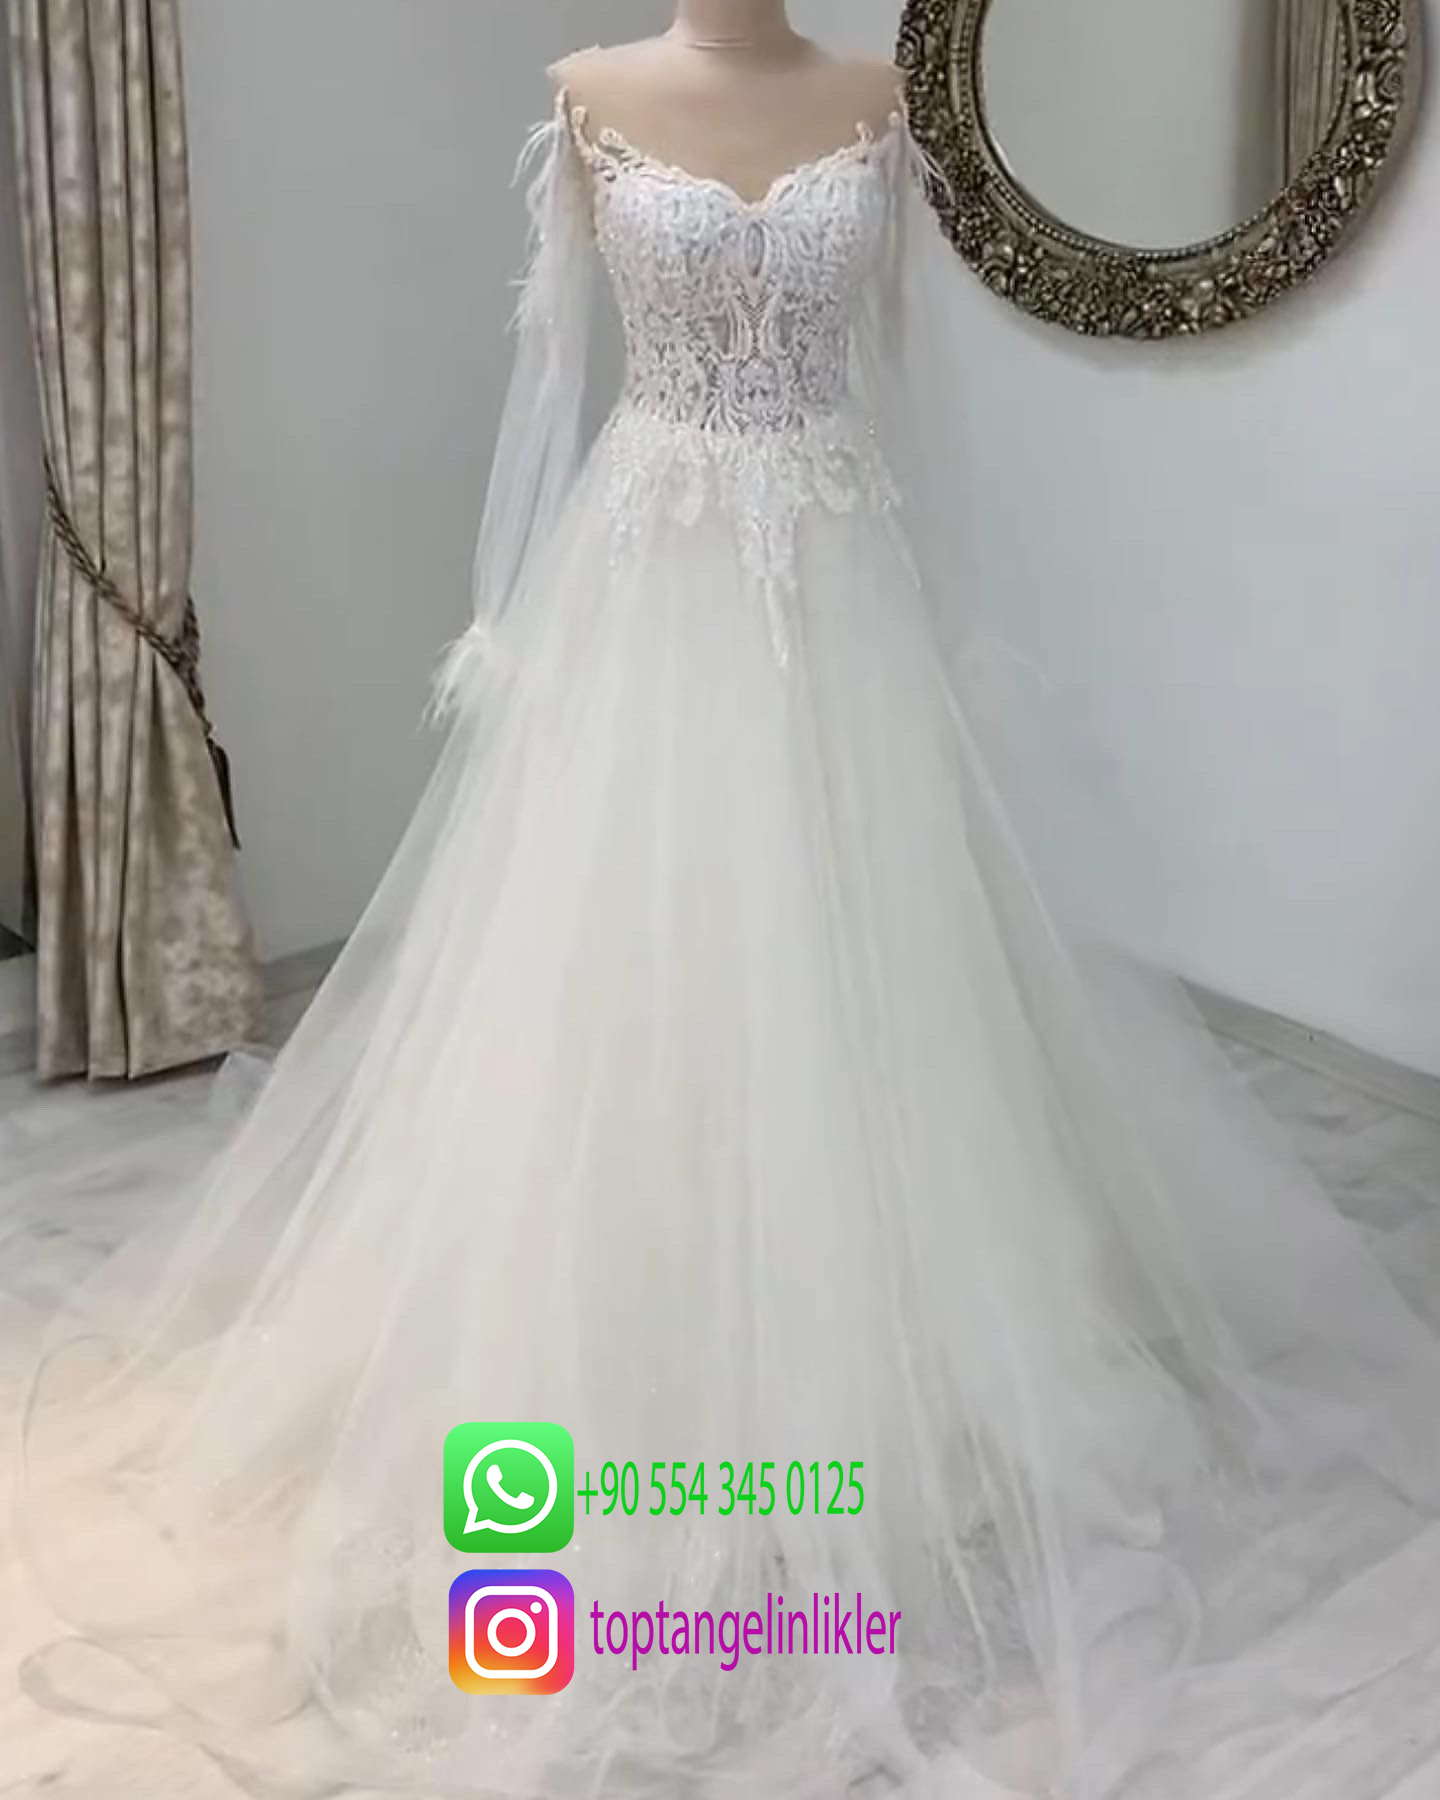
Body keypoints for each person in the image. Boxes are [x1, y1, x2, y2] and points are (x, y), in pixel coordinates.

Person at [16, 7, 1440, 1796]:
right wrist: (508, 620)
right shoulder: (588, 96)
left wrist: (949, 612)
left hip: (840, 569)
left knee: (865, 972)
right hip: (653, 574)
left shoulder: (877, 97)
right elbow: (551, 380)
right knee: (636, 980)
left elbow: (908, 383)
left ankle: (887, 1353)